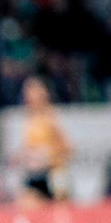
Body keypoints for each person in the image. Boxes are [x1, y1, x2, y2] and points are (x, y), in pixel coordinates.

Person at [15, 76, 73, 206]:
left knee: (59, 201)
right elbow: (29, 148)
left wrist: (48, 156)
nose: (28, 97)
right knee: (24, 204)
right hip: (36, 175)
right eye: (26, 93)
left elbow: (68, 149)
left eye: (31, 93)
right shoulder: (29, 120)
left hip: (53, 173)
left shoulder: (51, 118)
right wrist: (22, 156)